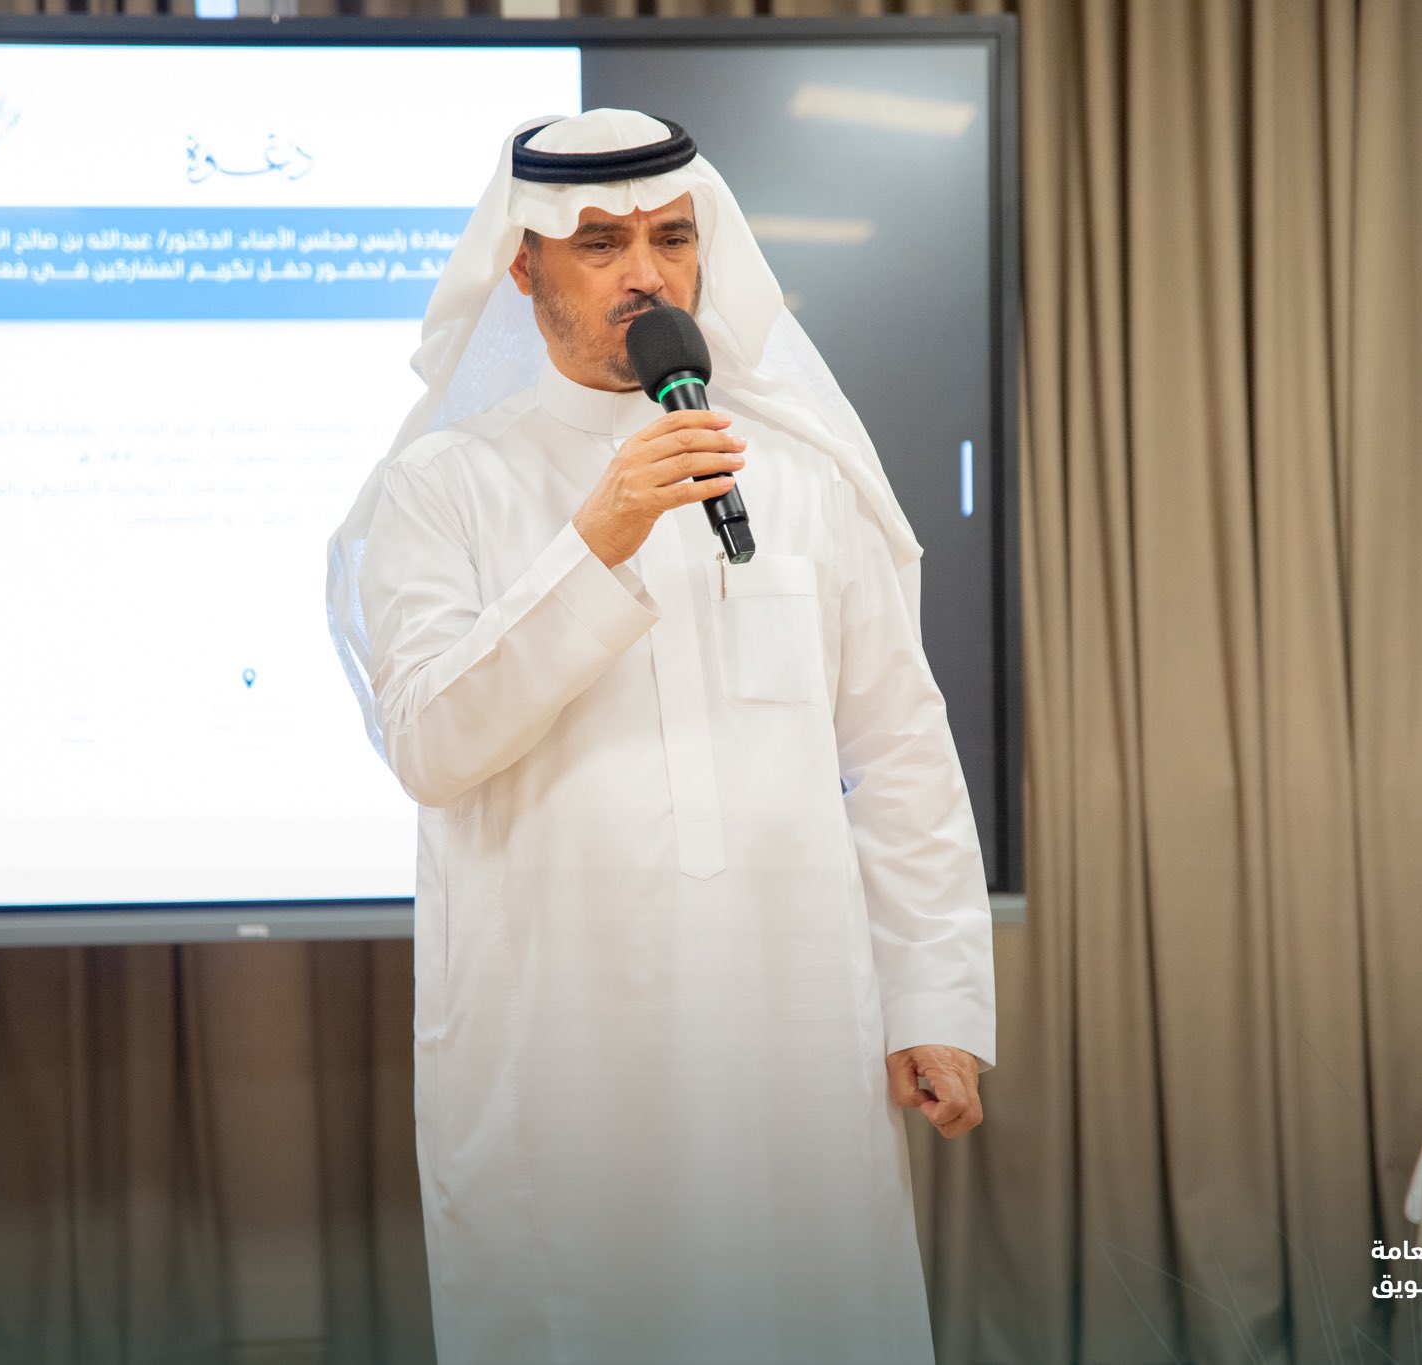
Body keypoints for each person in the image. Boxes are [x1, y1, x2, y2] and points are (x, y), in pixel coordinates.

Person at [325, 109, 995, 1365]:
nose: (647, 272)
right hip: (560, 1052)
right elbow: (429, 744)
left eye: (672, 238)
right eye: (601, 244)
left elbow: (896, 748)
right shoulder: (444, 488)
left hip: (793, 1033)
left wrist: (934, 998)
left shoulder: (800, 476)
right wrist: (597, 540)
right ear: (522, 268)